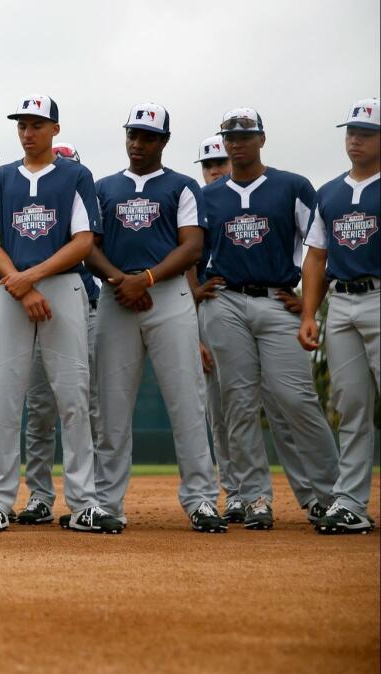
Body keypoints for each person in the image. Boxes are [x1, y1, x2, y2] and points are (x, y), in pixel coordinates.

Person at [0, 94, 120, 534]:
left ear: (55, 129)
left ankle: (83, 503)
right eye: (22, 124)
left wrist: (29, 278)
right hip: (11, 288)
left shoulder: (75, 174)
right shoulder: (1, 177)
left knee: (73, 396)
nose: (27, 131)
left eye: (37, 124)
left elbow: (83, 242)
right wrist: (19, 285)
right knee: (3, 397)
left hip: (59, 284)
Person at [87, 103, 224, 532]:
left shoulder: (182, 187)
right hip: (115, 297)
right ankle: (107, 502)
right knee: (111, 406)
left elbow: (191, 248)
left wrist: (143, 279)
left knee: (187, 400)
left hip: (167, 296)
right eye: (132, 134)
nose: (137, 143)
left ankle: (201, 499)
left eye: (147, 136)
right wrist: (119, 281)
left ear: (163, 142)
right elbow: (88, 244)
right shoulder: (104, 187)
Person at [199, 107, 338, 530]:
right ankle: (255, 495)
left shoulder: (292, 186)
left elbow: (321, 246)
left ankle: (330, 495)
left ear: (262, 138)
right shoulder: (209, 195)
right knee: (238, 403)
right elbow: (191, 250)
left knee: (296, 398)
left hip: (278, 299)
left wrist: (310, 303)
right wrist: (194, 293)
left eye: (246, 134)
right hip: (225, 301)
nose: (237, 142)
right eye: (230, 136)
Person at [300, 98, 380, 534]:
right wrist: (309, 313)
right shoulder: (329, 192)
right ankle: (350, 502)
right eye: (351, 131)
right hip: (342, 303)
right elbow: (315, 257)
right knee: (350, 407)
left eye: (366, 133)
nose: (355, 139)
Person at [15, 142, 103, 526]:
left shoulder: (82, 198)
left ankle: (88, 497)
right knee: (39, 410)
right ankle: (39, 495)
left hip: (81, 306)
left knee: (81, 405)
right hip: (34, 309)